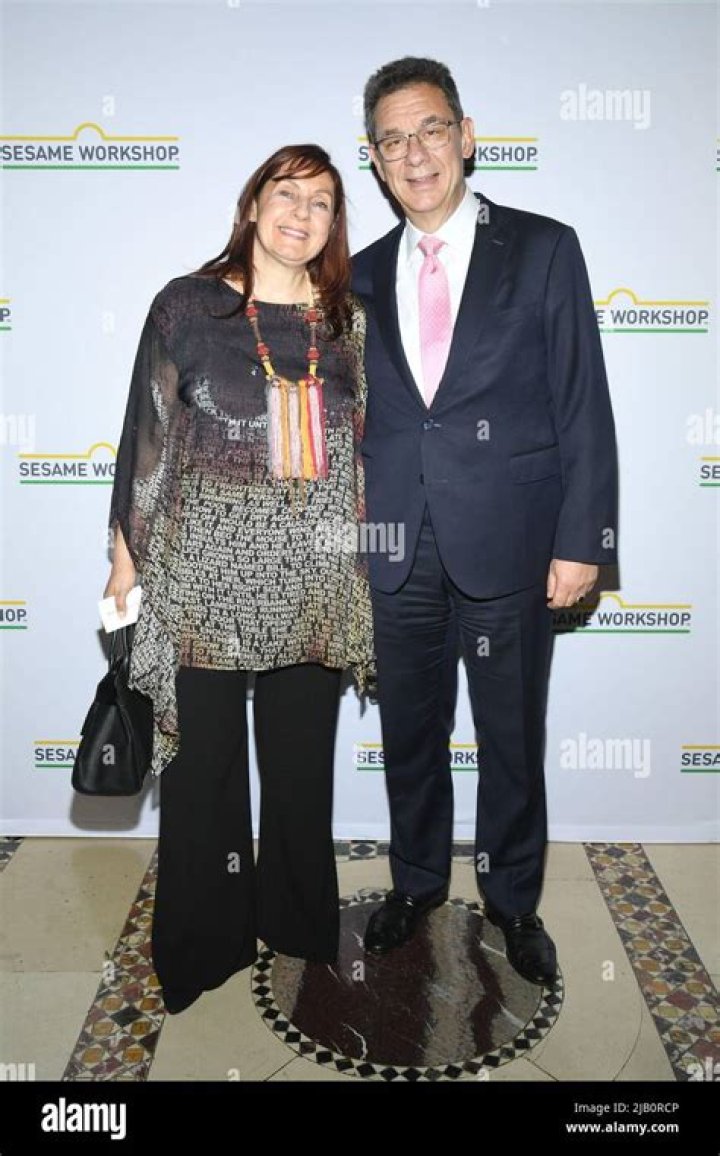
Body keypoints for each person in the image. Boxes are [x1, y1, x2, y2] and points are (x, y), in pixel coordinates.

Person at [352, 58, 618, 985]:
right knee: (410, 735)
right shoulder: (358, 274)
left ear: (466, 136)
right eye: (392, 139)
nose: (414, 153)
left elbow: (582, 402)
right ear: (374, 160)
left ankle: (513, 901)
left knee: (509, 735)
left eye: (430, 129)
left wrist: (583, 540)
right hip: (395, 546)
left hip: (511, 541)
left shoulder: (543, 248)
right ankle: (417, 882)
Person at [104, 144, 374, 1014]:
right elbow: (146, 434)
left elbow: (362, 452)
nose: (302, 214)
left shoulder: (348, 322)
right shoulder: (187, 305)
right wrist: (125, 557)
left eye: (322, 203)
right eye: (287, 194)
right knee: (202, 771)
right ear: (253, 204)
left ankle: (297, 921)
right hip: (201, 579)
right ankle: (204, 941)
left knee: (299, 768)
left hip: (315, 579)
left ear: (334, 224)